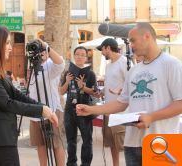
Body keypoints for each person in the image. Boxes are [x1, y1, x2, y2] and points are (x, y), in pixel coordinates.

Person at [76, 22, 182, 166]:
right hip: (132, 144)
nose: (130, 45)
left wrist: (151, 117)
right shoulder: (133, 70)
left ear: (147, 36)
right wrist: (91, 109)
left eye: (133, 40)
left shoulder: (172, 64)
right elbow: (121, 103)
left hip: (162, 142)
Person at [0, 24, 58, 166]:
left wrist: (42, 107)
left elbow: (16, 94)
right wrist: (41, 110)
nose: (10, 48)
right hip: (0, 136)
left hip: (5, 135)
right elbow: (7, 103)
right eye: (6, 43)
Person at [28, 39, 66, 166]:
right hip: (36, 112)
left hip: (52, 110)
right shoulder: (33, 66)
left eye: (43, 50)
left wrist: (46, 46)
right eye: (38, 50)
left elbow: (61, 63)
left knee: (56, 144)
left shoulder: (51, 65)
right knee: (40, 144)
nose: (40, 53)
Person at [60, 46, 96, 166]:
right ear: (74, 56)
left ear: (86, 57)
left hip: (85, 109)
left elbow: (95, 92)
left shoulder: (90, 74)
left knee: (87, 139)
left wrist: (83, 87)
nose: (80, 57)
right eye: (77, 54)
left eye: (82, 55)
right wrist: (67, 81)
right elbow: (61, 91)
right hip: (70, 109)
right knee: (71, 140)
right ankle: (71, 163)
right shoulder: (67, 72)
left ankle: (85, 163)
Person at [96, 38, 127, 166]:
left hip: (121, 112)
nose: (102, 53)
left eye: (102, 50)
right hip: (108, 111)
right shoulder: (108, 66)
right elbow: (110, 84)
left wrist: (120, 91)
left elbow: (131, 85)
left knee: (124, 145)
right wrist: (101, 92)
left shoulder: (125, 62)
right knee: (112, 145)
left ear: (108, 48)